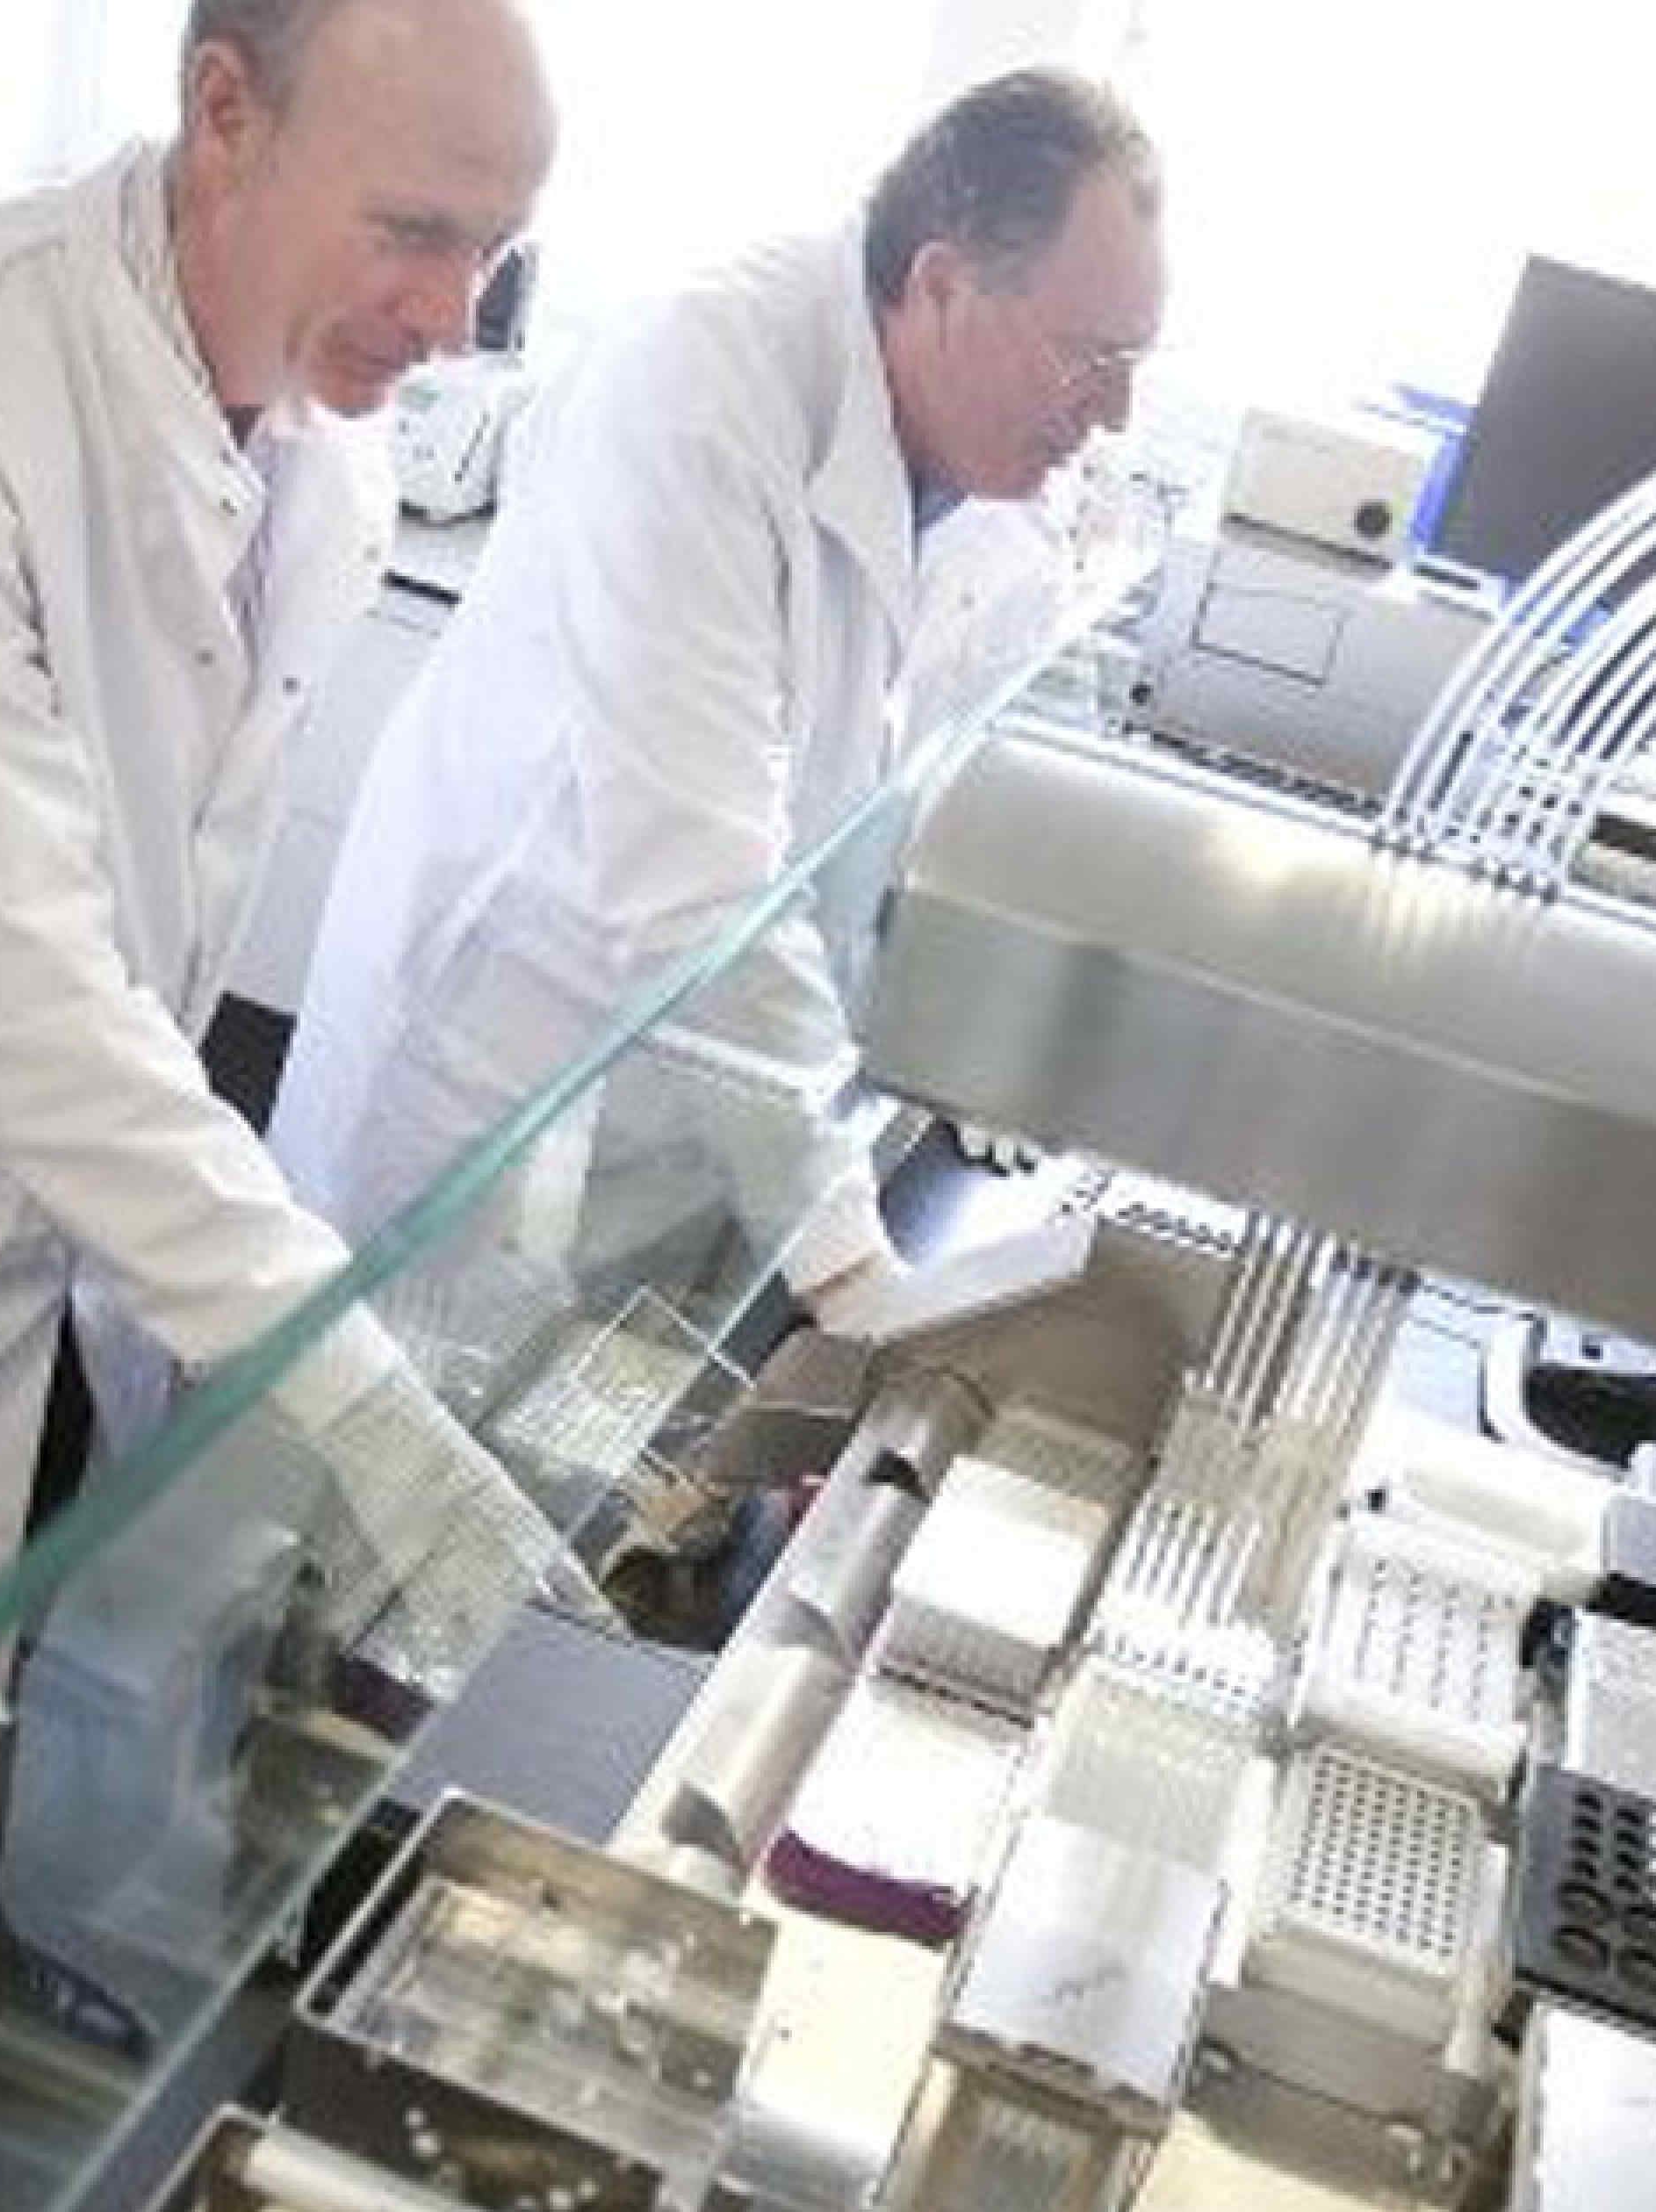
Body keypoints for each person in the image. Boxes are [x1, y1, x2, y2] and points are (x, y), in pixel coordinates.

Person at [0, 0, 583, 1772]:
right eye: (416, 232)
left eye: (496, 253)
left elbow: (154, 886)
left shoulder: (313, 425)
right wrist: (352, 1392)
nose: (456, 319)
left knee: (27, 1605)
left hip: (88, 1168)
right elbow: (10, 976)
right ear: (225, 112)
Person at [268, 69, 1165, 1328]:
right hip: (498, 1061)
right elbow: (699, 888)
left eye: (1135, 364)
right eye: (1091, 358)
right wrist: (852, 1270)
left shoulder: (996, 473)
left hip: (713, 1090)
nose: (1114, 411)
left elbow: (926, 794)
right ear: (945, 285)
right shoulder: (700, 392)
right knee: (327, 1457)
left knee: (575, 1452)